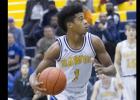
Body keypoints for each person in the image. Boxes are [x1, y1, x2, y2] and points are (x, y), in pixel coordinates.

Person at [30, 3, 116, 100]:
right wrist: (34, 83)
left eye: (84, 18)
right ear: (70, 25)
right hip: (59, 94)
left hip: (81, 95)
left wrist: (105, 70)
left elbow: (113, 70)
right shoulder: (57, 48)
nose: (86, 22)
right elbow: (34, 74)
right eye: (80, 19)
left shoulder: (94, 42)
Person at [114, 22, 136, 100]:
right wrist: (118, 77)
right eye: (129, 30)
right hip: (126, 79)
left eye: (133, 30)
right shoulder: (120, 45)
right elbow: (116, 63)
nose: (131, 32)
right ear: (125, 32)